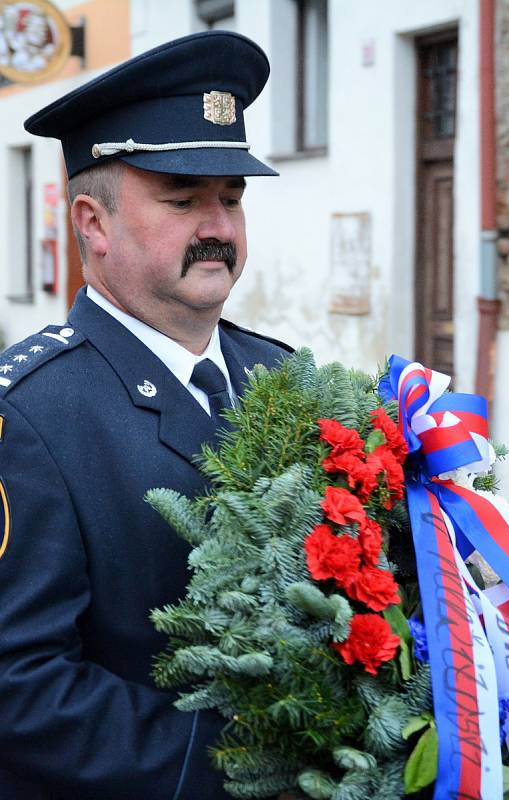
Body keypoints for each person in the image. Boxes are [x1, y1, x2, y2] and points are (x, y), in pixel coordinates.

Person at [0, 31, 292, 799]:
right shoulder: (31, 416)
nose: (219, 228)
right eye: (182, 198)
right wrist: (246, 765)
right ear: (92, 222)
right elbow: (19, 685)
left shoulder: (281, 375)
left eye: (231, 199)